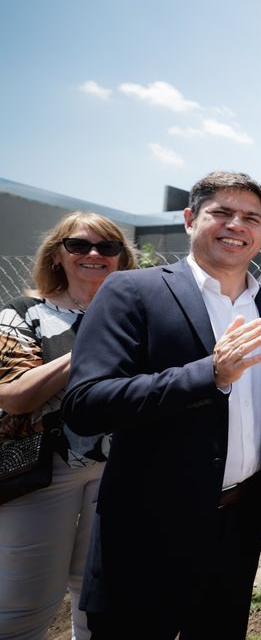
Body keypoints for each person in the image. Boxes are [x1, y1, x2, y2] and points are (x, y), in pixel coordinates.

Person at [62, 172, 261, 639]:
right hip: (148, 530)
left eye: (251, 217)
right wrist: (208, 374)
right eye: (222, 212)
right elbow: (86, 403)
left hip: (237, 524)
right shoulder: (132, 291)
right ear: (191, 219)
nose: (237, 225)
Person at [0, 213, 136, 640]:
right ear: (58, 254)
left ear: (121, 258)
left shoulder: (138, 313)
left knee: (98, 597)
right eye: (79, 245)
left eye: (107, 247)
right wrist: (93, 342)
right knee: (24, 603)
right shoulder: (23, 312)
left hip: (120, 470)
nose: (94, 254)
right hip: (41, 473)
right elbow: (17, 395)